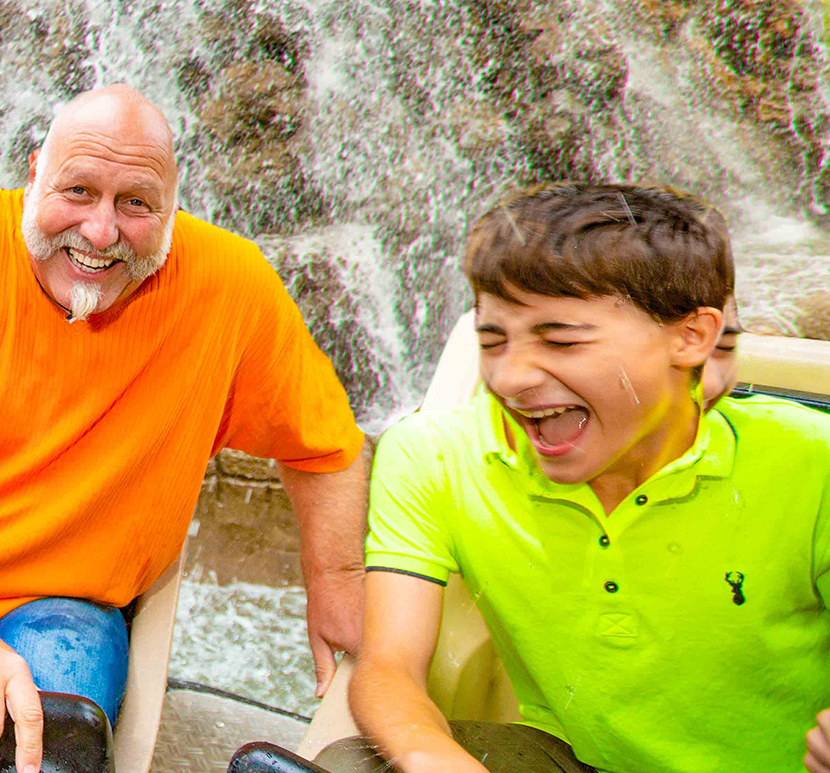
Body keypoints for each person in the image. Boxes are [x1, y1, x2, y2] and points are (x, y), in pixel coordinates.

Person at [0, 84, 370, 773]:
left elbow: (324, 445)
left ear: (174, 205)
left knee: (48, 740)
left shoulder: (230, 287)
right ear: (34, 177)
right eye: (78, 191)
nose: (100, 233)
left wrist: (336, 578)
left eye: (136, 203)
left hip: (62, 610)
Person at [323, 183, 830, 773]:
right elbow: (387, 667)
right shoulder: (431, 454)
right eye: (493, 341)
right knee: (354, 763)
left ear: (691, 337)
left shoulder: (813, 462)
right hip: (571, 759)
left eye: (560, 340)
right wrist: (430, 757)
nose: (511, 377)